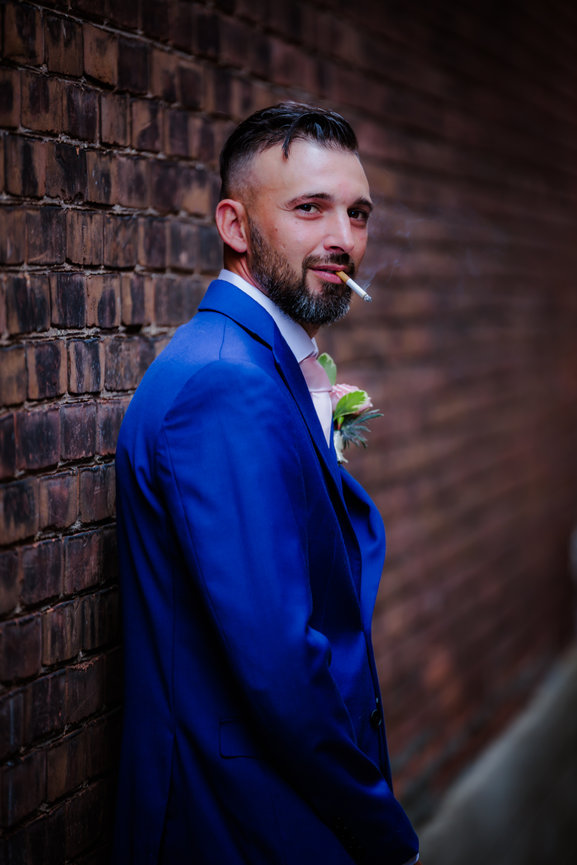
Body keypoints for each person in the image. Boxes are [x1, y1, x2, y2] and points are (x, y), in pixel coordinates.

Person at [112, 102, 419, 865]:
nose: (342, 238)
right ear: (235, 224)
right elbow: (282, 664)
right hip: (245, 822)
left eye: (357, 212)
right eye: (309, 208)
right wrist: (384, 832)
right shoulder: (226, 382)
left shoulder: (256, 362)